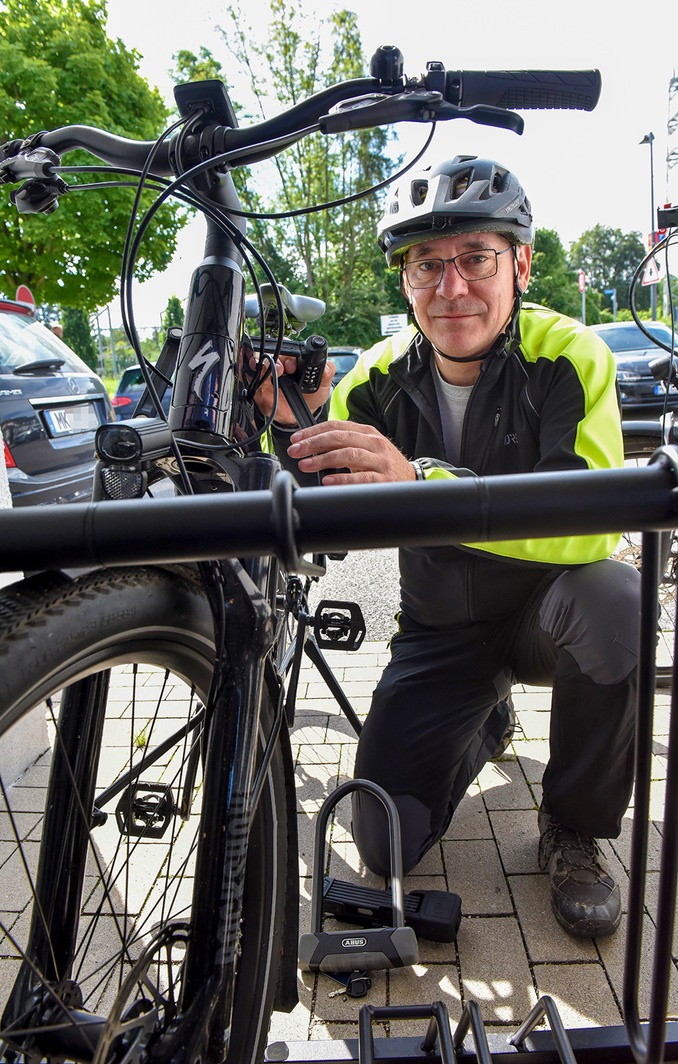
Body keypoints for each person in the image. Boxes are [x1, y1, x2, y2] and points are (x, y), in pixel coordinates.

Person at [257, 155, 639, 939]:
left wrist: (421, 478)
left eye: (476, 258)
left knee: (616, 597)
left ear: (521, 264)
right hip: (441, 634)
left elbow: (594, 522)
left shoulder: (571, 356)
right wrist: (287, 420)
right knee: (381, 845)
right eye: (427, 264)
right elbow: (317, 492)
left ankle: (574, 826)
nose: (451, 286)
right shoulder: (378, 377)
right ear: (405, 280)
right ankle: (484, 722)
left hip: (550, 621)